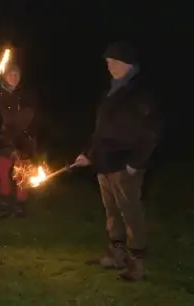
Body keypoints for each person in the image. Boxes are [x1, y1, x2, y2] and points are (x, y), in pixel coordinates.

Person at [75, 41, 162, 281]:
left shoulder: (140, 93)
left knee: (130, 212)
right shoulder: (110, 93)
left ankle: (137, 261)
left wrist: (136, 163)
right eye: (107, 63)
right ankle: (117, 254)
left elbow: (151, 132)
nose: (109, 67)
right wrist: (87, 153)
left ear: (128, 64)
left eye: (113, 62)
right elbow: (100, 131)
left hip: (126, 164)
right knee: (112, 211)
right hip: (104, 162)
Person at [0, 63, 38, 218]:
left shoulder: (25, 95)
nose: (14, 77)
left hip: (22, 141)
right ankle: (5, 204)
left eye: (17, 75)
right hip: (5, 141)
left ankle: (20, 206)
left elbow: (28, 116)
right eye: (11, 74)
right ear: (5, 76)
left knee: (22, 174)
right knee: (2, 172)